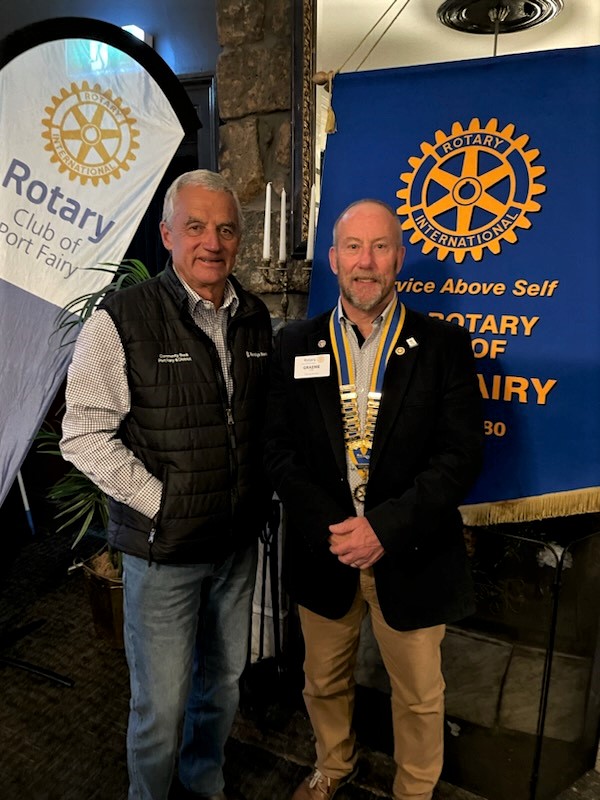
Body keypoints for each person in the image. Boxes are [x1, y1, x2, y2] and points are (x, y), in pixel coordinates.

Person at [60, 170, 272, 800]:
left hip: (235, 547)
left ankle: (203, 785)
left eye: (226, 229)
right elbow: (83, 435)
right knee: (161, 707)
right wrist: (164, 504)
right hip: (163, 554)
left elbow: (257, 425)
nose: (213, 242)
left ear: (239, 241)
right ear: (167, 234)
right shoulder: (122, 319)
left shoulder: (254, 317)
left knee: (222, 686)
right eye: (196, 226)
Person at [263, 199, 484, 800]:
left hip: (410, 552)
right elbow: (277, 450)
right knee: (322, 681)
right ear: (334, 259)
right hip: (326, 550)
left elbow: (460, 458)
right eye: (354, 248)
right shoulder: (295, 344)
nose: (366, 262)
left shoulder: (443, 346)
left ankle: (414, 789)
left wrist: (383, 528)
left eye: (380, 247)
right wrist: (333, 528)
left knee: (419, 696)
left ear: (399, 259)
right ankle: (333, 764)